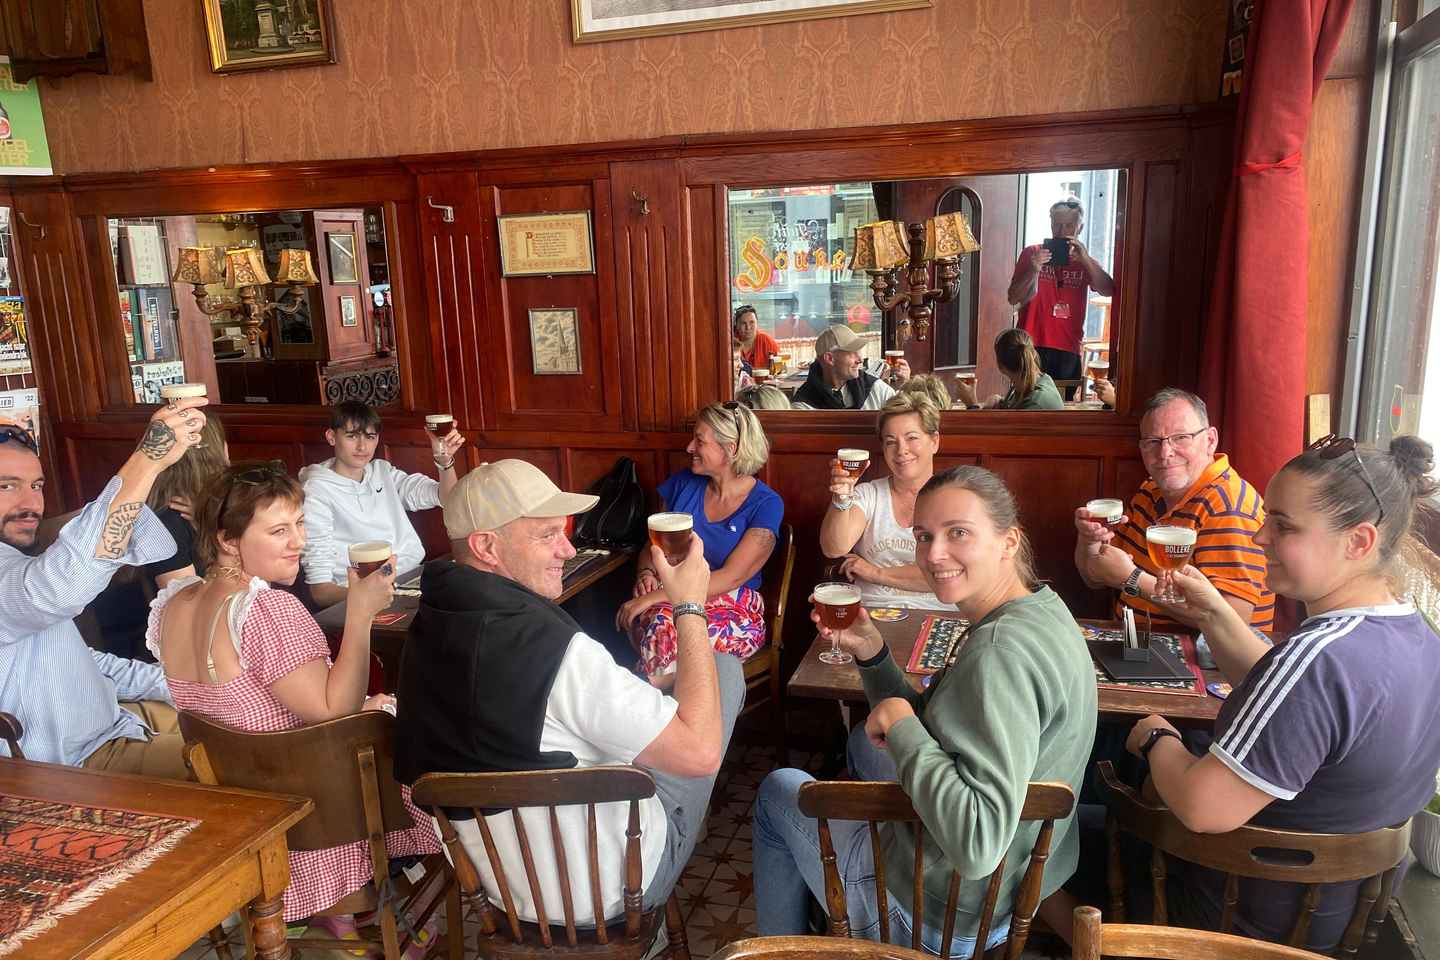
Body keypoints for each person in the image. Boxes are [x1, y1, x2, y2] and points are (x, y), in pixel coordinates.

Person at [1114, 436, 1440, 953]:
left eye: (1283, 526)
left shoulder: (1317, 660)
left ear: (1358, 542)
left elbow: (1202, 807)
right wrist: (1213, 612)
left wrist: (1157, 738)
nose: (1260, 536)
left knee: (1071, 834)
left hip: (1238, 920)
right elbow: (1288, 699)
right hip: (1339, 918)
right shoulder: (1414, 636)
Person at [754, 466, 1097, 952]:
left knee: (778, 790)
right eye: (923, 536)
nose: (934, 554)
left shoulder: (997, 652)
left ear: (1008, 541)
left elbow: (977, 845)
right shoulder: (1044, 608)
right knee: (864, 753)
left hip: (940, 911)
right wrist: (872, 651)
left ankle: (783, 948)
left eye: (958, 533)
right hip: (1012, 892)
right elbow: (944, 731)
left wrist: (902, 726)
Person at [393, 459, 745, 927]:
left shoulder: (426, 630)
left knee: (643, 710)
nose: (567, 548)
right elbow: (700, 753)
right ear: (486, 546)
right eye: (546, 535)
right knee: (722, 670)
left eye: (564, 531)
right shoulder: (558, 652)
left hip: (504, 891)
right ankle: (656, 917)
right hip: (609, 889)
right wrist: (689, 605)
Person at [147, 462, 441, 941]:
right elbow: (334, 710)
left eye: (300, 524)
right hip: (315, 814)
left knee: (381, 712)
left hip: (246, 808)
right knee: (422, 739)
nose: (299, 542)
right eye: (279, 530)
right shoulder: (267, 609)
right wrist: (361, 614)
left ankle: (344, 918)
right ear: (227, 540)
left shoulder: (175, 604)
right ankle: (377, 908)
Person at [0, 400, 206, 777]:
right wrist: (149, 458)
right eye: (7, 486)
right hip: (72, 769)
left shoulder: (16, 565)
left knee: (256, 721)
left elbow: (76, 662)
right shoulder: (20, 580)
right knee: (250, 766)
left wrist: (180, 686)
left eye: (37, 486)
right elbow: (61, 586)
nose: (31, 504)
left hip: (117, 723)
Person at [1074, 388, 1274, 633]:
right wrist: (1089, 542)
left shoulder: (1228, 507)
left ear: (1210, 440)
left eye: (1180, 438)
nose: (1165, 453)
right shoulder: (1150, 489)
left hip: (1194, 654)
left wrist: (1131, 579)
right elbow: (1094, 577)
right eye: (1153, 442)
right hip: (1134, 641)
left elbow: (1233, 621)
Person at [618, 402, 783, 683]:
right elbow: (652, 546)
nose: (689, 447)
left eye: (700, 440)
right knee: (661, 625)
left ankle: (655, 693)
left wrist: (653, 597)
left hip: (734, 607)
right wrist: (646, 573)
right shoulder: (683, 485)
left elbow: (732, 577)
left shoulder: (766, 504)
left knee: (669, 631)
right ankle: (666, 697)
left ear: (730, 449)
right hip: (668, 598)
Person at [87, 415, 233, 662]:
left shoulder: (210, 516)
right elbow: (195, 617)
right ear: (220, 452)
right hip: (152, 662)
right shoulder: (167, 524)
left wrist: (212, 523)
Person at [300, 401, 465, 607]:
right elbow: (321, 591)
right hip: (360, 595)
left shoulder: (382, 472)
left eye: (370, 437)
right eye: (352, 436)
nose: (362, 446)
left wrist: (444, 460)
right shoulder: (315, 491)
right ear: (331, 437)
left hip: (412, 578)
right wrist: (377, 596)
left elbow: (448, 498)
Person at [820, 394, 951, 610]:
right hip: (873, 613)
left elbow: (949, 571)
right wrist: (842, 496)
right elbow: (833, 548)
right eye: (891, 442)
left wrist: (875, 573)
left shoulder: (956, 498)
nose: (901, 450)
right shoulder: (869, 495)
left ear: (934, 441)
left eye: (912, 438)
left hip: (939, 613)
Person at [1006, 199, 1116, 390]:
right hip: (1029, 346)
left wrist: (1085, 260)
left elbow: (1108, 290)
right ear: (1050, 224)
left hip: (1068, 347)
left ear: (1080, 228)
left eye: (1069, 226)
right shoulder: (1032, 253)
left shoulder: (1084, 260)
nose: (1061, 232)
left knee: (1064, 405)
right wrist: (1033, 269)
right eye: (1057, 225)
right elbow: (1013, 297)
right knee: (1027, 402)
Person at [792, 325, 896, 411]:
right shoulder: (803, 407)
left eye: (859, 351)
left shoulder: (878, 391)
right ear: (829, 358)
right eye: (852, 353)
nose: (860, 360)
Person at [956, 328, 1064, 411]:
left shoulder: (1035, 404)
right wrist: (1001, 403)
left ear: (1000, 367)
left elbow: (991, 435)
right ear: (1033, 354)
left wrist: (972, 404)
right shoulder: (1043, 379)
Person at [733, 304, 780, 372]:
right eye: (743, 323)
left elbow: (779, 369)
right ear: (737, 325)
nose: (748, 327)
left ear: (757, 323)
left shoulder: (767, 341)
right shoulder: (731, 342)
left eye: (752, 322)